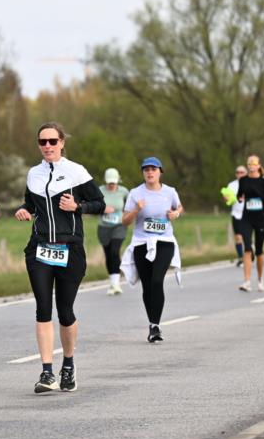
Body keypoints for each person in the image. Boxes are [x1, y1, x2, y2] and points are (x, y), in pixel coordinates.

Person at [15, 122, 105, 394]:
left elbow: (100, 204)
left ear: (62, 142)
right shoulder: (34, 174)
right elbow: (30, 204)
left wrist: (78, 206)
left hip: (70, 250)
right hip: (40, 249)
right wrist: (24, 210)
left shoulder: (76, 171)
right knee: (43, 308)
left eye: (52, 141)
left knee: (65, 312)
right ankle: (46, 372)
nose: (47, 146)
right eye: (42, 142)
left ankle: (68, 364)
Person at [121, 157, 183, 343]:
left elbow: (179, 207)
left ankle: (155, 325)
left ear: (160, 172)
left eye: (153, 169)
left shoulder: (170, 192)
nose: (149, 172)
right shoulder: (135, 193)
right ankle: (153, 325)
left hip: (164, 241)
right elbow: (125, 221)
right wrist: (136, 210)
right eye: (146, 169)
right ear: (143, 173)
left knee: (157, 280)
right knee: (147, 285)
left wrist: (176, 213)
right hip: (142, 242)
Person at [236, 155, 264, 291]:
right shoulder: (243, 180)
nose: (251, 166)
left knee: (259, 251)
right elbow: (239, 195)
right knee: (247, 248)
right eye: (249, 164)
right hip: (246, 218)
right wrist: (240, 198)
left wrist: (259, 194)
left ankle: (260, 279)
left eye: (254, 164)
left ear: (258, 166)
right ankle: (246, 282)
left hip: (260, 219)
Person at [97, 168, 128, 295]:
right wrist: (102, 209)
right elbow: (91, 207)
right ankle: (112, 282)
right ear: (106, 181)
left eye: (113, 183)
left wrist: (127, 215)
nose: (111, 185)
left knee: (115, 251)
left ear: (118, 181)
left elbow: (130, 206)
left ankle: (117, 284)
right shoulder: (99, 191)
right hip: (103, 227)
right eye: (109, 182)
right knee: (109, 254)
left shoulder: (124, 191)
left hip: (119, 226)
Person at [221, 165, 248, 266]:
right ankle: (241, 258)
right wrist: (225, 198)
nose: (239, 174)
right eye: (237, 172)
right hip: (236, 214)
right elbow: (226, 198)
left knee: (247, 236)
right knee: (238, 237)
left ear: (246, 173)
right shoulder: (231, 185)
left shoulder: (251, 183)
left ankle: (250, 250)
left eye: (242, 172)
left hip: (248, 214)